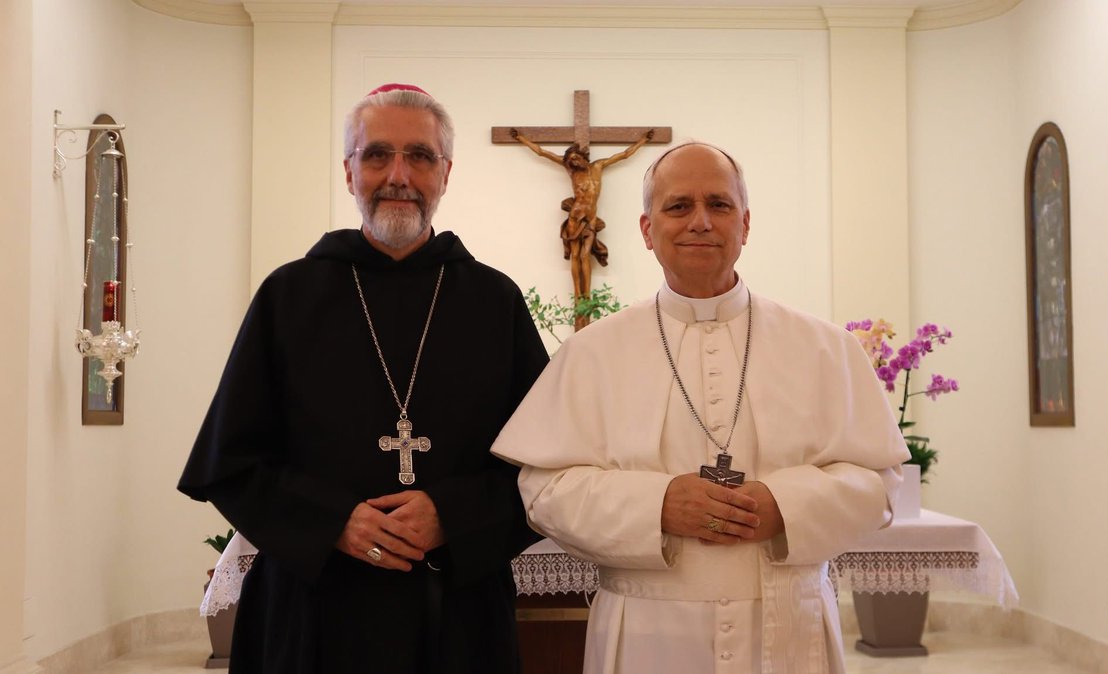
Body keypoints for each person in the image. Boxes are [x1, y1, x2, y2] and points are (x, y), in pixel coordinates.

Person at [491, 142, 909, 674]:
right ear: (646, 229)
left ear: (746, 223)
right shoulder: (592, 352)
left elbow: (879, 483)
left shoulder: (825, 348)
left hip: (788, 629)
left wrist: (785, 506)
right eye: (678, 206)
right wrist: (658, 505)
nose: (701, 222)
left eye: (719, 204)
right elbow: (543, 490)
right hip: (645, 636)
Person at [179, 83, 548, 673]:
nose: (398, 174)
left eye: (420, 156)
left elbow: (545, 467)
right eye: (377, 155)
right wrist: (332, 522)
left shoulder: (493, 302)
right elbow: (231, 464)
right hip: (312, 613)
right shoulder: (289, 295)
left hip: (457, 616)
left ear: (445, 173)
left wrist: (451, 514)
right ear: (349, 172)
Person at [509, 128, 654, 328]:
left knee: (585, 256)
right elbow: (543, 153)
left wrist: (643, 140)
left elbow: (624, 155)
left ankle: (585, 296)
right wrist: (522, 139)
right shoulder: (572, 173)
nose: (573, 163)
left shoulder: (598, 166)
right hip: (575, 217)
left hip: (590, 220)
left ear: (583, 157)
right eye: (570, 161)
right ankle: (579, 294)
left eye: (576, 159)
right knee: (576, 256)